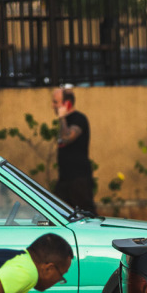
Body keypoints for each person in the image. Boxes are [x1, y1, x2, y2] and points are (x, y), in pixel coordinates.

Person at [51, 85, 97, 213]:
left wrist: (62, 118)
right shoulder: (64, 122)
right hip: (64, 179)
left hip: (79, 180)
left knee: (87, 215)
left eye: (55, 102)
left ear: (67, 104)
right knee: (56, 212)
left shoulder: (79, 119)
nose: (52, 106)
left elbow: (67, 137)